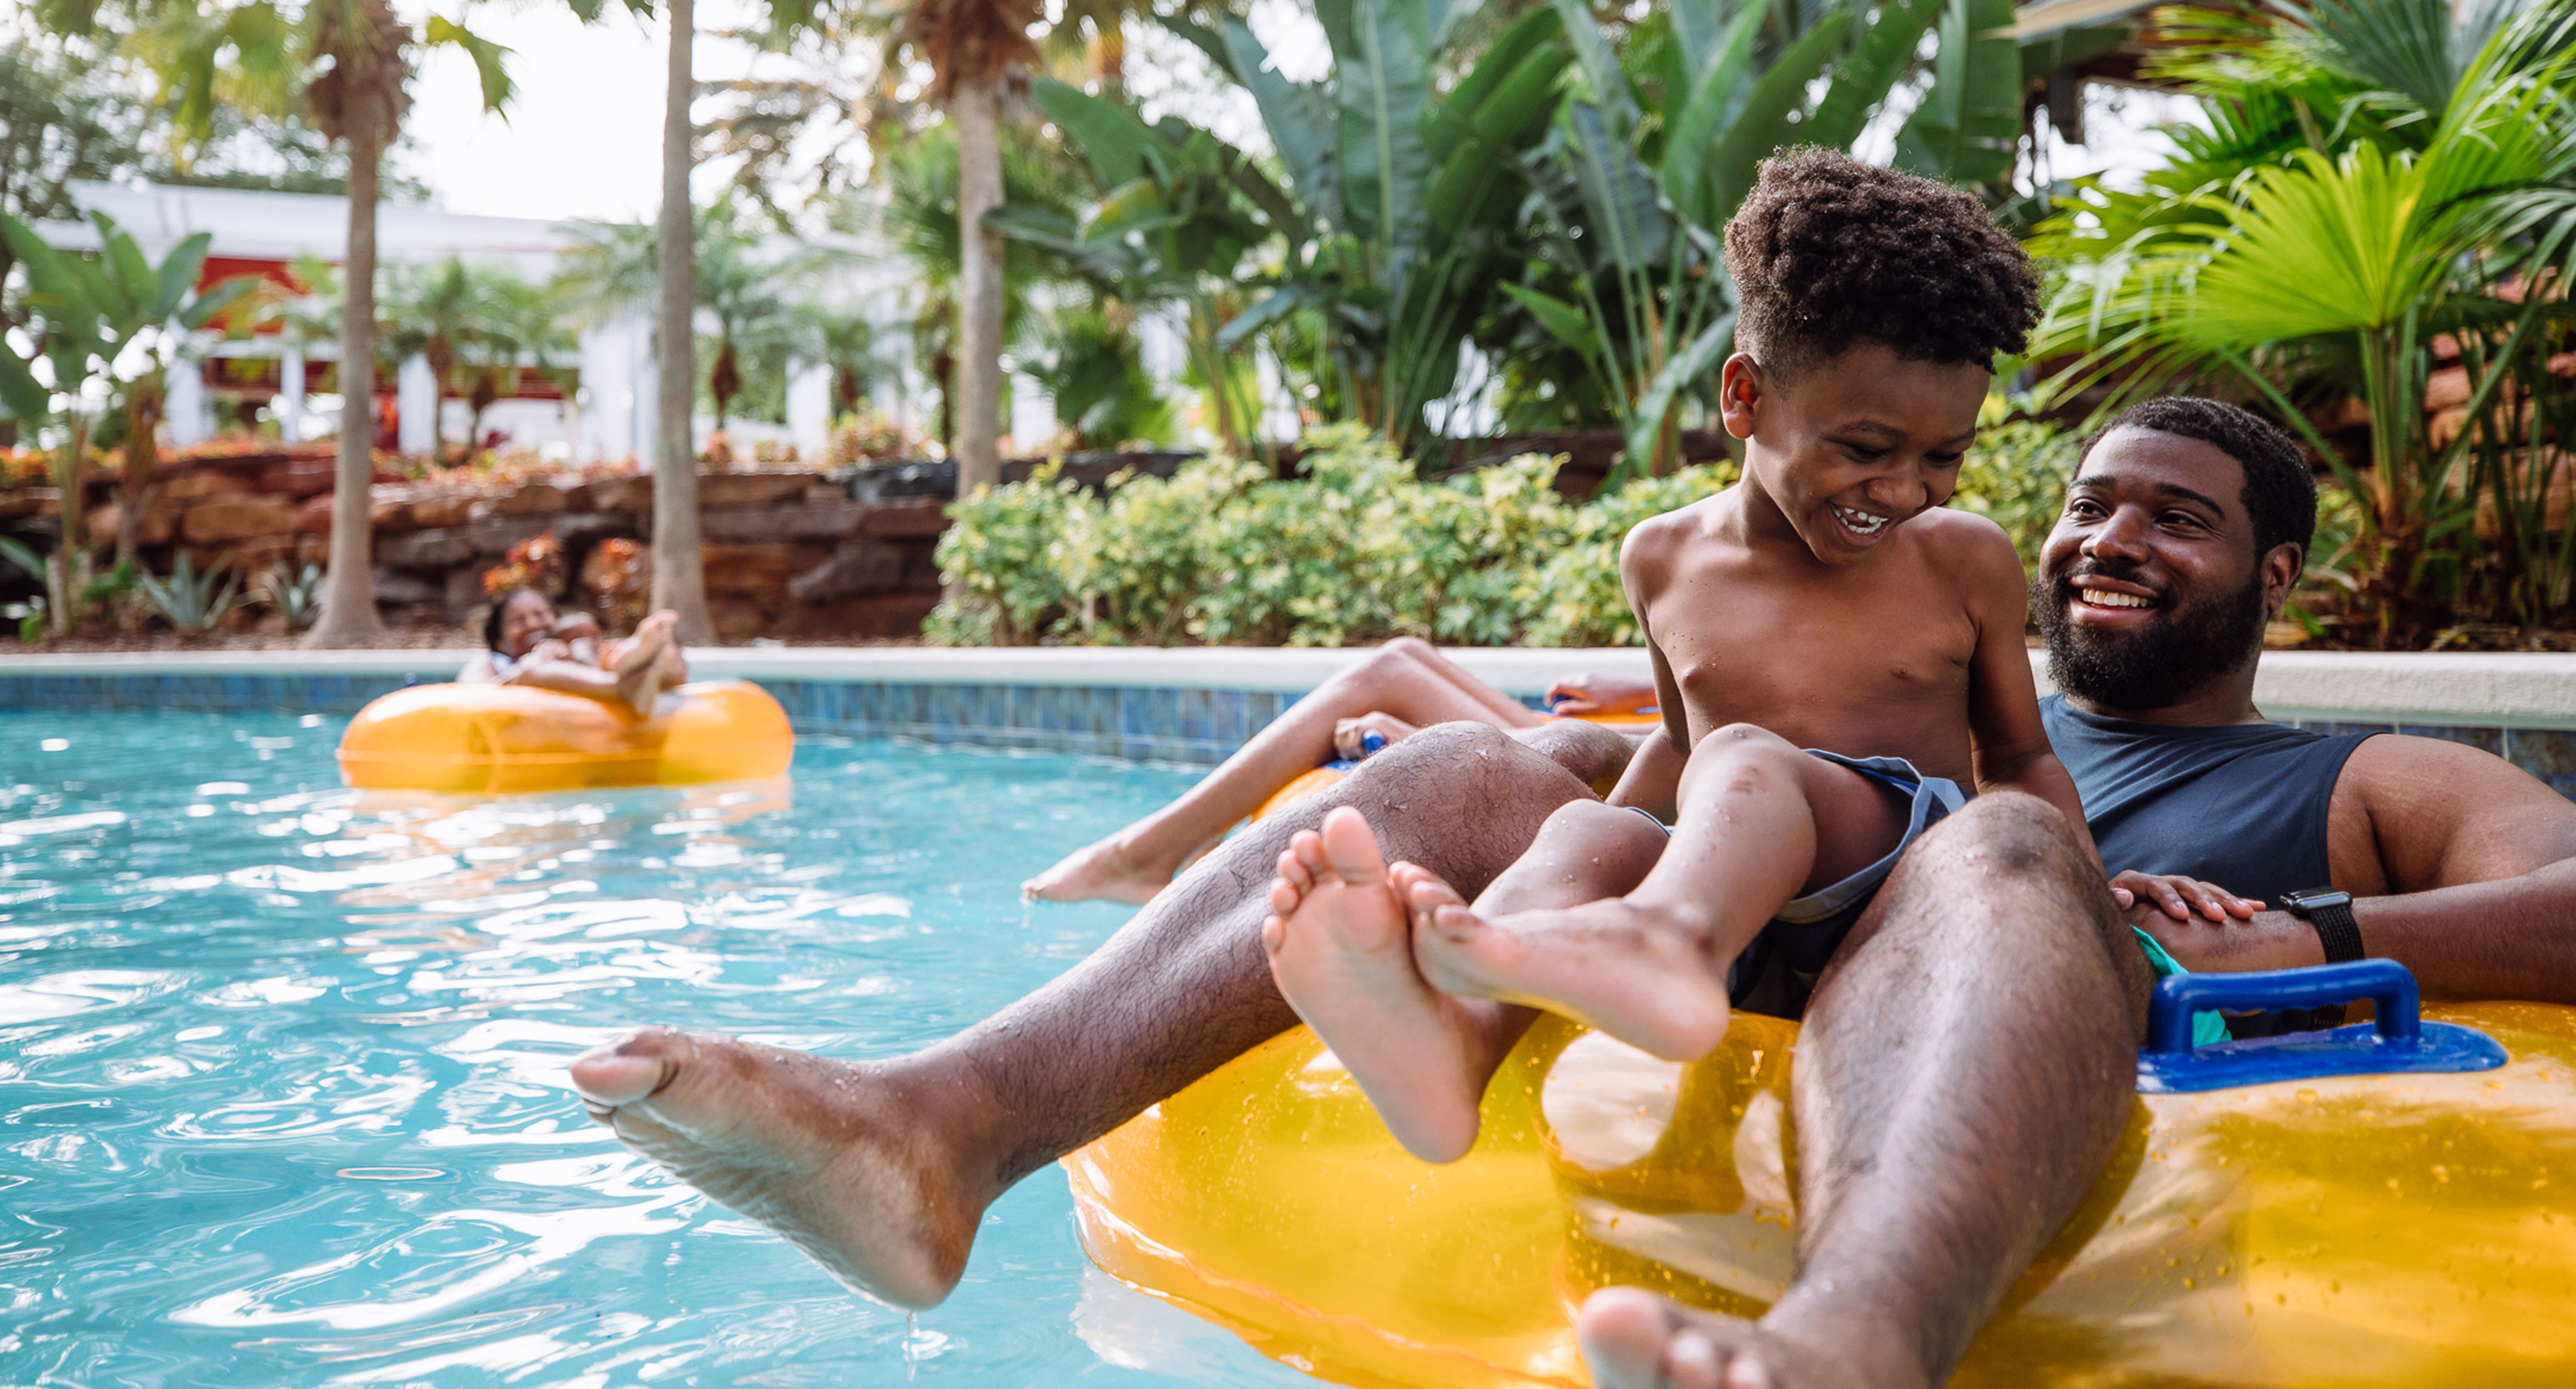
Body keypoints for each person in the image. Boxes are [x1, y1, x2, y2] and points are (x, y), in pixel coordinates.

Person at [564, 391, 2576, 1389]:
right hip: (1765, 981)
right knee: (1458, 761)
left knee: (2007, 844)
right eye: (2088, 504)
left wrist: (2305, 933)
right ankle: (940, 1131)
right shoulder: (1933, 686)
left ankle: (1839, 1352)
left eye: (2178, 520)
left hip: (2031, 1013)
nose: (2107, 540)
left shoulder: (2352, 779)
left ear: (2275, 584)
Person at [1263, 151, 2086, 1159]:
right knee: (1583, 830)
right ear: (1746, 398)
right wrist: (1583, 855)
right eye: (1867, 450)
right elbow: (1682, 749)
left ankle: (1666, 944)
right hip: (1748, 919)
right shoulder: (1660, 559)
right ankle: (1457, 1040)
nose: (1908, 490)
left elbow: (2022, 757)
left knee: (1747, 761)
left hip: (1916, 892)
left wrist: (2084, 891)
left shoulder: (1963, 559)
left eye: (1944, 456)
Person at [1022, 636, 1659, 904]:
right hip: (1636, 733)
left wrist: (1450, 745)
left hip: (1632, 769)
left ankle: (1144, 854)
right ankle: (1144, 854)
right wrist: (1638, 686)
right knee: (1404, 653)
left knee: (1388, 674)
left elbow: (1727, 744)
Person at [465, 588, 686, 711]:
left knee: (605, 652)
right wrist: (533, 663)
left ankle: (642, 659)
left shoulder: (571, 648)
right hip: (522, 705)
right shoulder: (492, 663)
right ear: (500, 642)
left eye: (541, 615)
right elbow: (468, 697)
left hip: (587, 710)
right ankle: (623, 687)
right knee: (531, 670)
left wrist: (581, 656)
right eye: (518, 621)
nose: (533, 624)